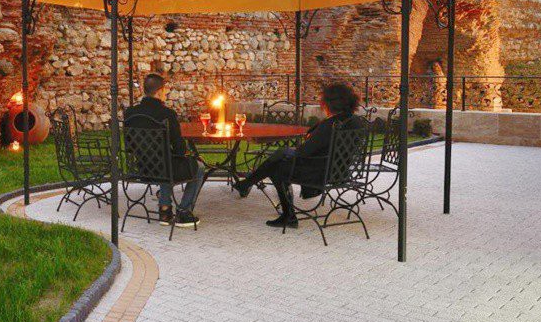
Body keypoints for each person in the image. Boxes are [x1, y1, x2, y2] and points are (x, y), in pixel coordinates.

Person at [233, 83, 367, 229]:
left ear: (329, 103)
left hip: (320, 173)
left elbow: (303, 153)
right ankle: (247, 184)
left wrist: (285, 152)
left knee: (277, 167)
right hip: (340, 171)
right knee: (280, 157)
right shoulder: (354, 121)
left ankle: (287, 215)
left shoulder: (330, 125)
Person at [123, 73, 206, 228]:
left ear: (144, 89)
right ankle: (184, 211)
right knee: (199, 167)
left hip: (141, 169)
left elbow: (129, 146)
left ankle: (165, 210)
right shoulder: (167, 114)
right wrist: (190, 156)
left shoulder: (130, 113)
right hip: (164, 170)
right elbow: (180, 149)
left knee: (166, 160)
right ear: (160, 91)